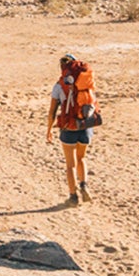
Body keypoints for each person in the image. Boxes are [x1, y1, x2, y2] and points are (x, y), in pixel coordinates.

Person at [45, 54, 95, 204]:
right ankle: (84, 185)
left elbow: (52, 112)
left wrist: (49, 130)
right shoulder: (85, 84)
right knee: (81, 158)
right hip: (85, 126)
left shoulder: (59, 86)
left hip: (68, 127)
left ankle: (73, 196)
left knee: (70, 165)